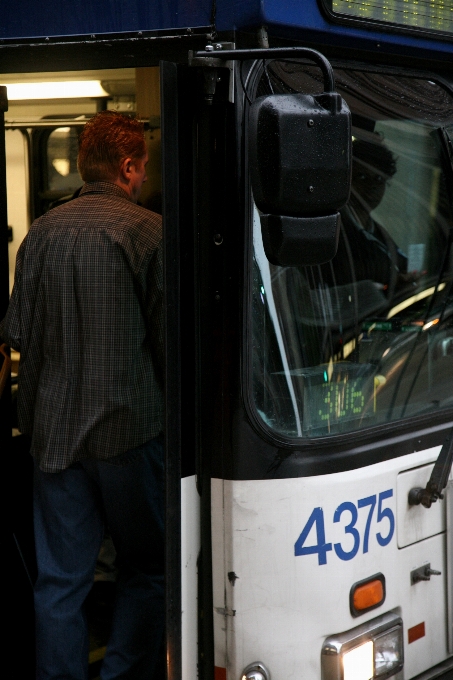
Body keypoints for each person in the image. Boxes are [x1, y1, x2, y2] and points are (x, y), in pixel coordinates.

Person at [0, 110, 165, 680]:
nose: (143, 178)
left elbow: (16, 331)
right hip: (131, 433)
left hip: (53, 439)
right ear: (126, 167)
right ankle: (122, 674)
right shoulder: (147, 232)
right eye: (142, 167)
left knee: (59, 583)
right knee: (149, 570)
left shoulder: (40, 233)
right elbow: (167, 342)